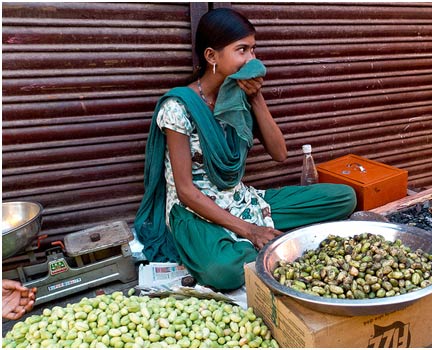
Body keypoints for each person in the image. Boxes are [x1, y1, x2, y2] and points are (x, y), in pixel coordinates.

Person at [134, 7, 357, 290]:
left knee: (343, 197)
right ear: (212, 57)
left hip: (240, 199)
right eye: (242, 50)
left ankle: (258, 245)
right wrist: (251, 230)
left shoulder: (236, 98)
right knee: (223, 272)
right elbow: (186, 191)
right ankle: (261, 244)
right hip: (195, 210)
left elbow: (280, 154)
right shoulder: (178, 108)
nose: (252, 59)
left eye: (253, 49)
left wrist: (256, 98)